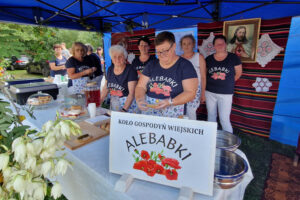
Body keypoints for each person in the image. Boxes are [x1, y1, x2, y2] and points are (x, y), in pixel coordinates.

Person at [135, 31, 198, 118]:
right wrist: (140, 99)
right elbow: (140, 86)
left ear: (174, 46)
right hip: (150, 111)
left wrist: (170, 102)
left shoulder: (185, 66)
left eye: (165, 50)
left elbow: (190, 92)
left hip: (173, 111)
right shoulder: (151, 65)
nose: (162, 55)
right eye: (159, 51)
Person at [205, 35, 242, 133]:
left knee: (224, 119)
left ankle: (229, 143)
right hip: (210, 92)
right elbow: (205, 74)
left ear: (225, 45)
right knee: (211, 116)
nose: (220, 45)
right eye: (217, 44)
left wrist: (228, 83)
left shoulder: (233, 58)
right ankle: (210, 138)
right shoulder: (208, 59)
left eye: (222, 43)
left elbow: (238, 73)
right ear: (214, 46)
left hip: (226, 93)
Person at [100, 45, 138, 113]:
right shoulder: (110, 69)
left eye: (120, 56)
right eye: (114, 57)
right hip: (114, 103)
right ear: (111, 58)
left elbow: (132, 93)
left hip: (128, 106)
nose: (117, 59)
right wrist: (99, 101)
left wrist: (124, 110)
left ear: (125, 57)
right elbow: (106, 87)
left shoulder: (130, 70)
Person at [180, 34, 206, 120]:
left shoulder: (199, 57)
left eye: (189, 43)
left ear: (193, 44)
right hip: (181, 89)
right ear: (181, 45)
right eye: (184, 44)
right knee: (181, 112)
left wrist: (203, 93)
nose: (186, 46)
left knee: (191, 112)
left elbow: (203, 77)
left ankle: (192, 131)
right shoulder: (179, 59)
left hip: (195, 89)